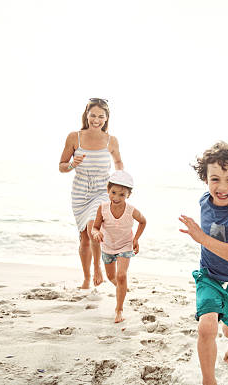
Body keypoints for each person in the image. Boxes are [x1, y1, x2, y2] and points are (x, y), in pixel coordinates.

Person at [179, 142, 228, 385]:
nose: (222, 187)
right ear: (205, 178)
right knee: (207, 327)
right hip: (210, 276)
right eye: (215, 179)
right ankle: (208, 380)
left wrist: (201, 238)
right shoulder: (205, 199)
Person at [58, 98, 124, 289]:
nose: (96, 120)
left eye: (101, 116)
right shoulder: (74, 137)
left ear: (106, 118)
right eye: (93, 115)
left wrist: (120, 180)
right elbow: (62, 166)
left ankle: (97, 268)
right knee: (84, 239)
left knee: (92, 227)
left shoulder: (111, 140)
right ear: (86, 115)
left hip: (102, 190)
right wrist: (72, 164)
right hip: (80, 192)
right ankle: (87, 278)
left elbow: (118, 162)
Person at [91, 170, 146, 323]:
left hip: (125, 246)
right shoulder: (102, 208)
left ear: (128, 195)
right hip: (107, 247)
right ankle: (121, 288)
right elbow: (95, 227)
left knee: (121, 276)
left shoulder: (131, 210)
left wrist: (136, 239)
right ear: (108, 190)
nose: (116, 198)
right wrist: (96, 233)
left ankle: (119, 310)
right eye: (113, 192)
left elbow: (143, 221)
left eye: (121, 195)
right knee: (111, 277)